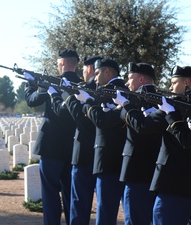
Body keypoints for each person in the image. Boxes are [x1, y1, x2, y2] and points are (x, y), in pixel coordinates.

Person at [24, 48, 82, 225]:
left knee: (49, 193)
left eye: (58, 64)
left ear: (63, 63)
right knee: (70, 194)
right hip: (74, 148)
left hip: (51, 146)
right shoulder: (83, 86)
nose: (57, 67)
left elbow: (33, 101)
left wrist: (30, 85)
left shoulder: (53, 84)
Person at [150, 66, 191, 225]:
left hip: (172, 182)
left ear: (186, 83)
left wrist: (126, 107)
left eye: (174, 82)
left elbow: (144, 126)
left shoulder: (172, 106)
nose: (170, 87)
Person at [74, 57, 127, 225]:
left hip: (107, 158)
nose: (95, 78)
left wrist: (86, 102)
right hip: (123, 158)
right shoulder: (124, 89)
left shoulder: (109, 92)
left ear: (107, 72)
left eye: (97, 73)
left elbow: (100, 120)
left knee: (105, 212)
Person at [112, 62, 161, 225]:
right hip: (153, 167)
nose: (127, 83)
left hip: (135, 167)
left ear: (140, 79)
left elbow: (138, 126)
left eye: (130, 78)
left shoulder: (135, 99)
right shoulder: (160, 100)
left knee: (134, 217)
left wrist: (124, 105)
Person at [61, 55, 101, 225]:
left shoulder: (84, 89)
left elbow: (78, 117)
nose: (83, 73)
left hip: (84, 152)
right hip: (102, 155)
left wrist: (67, 96)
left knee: (79, 204)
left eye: (84, 69)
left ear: (90, 69)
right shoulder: (109, 89)